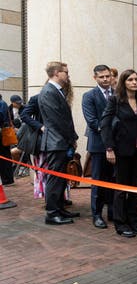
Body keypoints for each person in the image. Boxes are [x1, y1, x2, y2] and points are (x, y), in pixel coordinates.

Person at [101, 69, 137, 238]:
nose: (134, 82)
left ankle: (134, 221)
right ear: (124, 82)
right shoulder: (115, 101)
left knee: (134, 188)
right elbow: (106, 124)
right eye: (130, 79)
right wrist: (109, 148)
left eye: (136, 79)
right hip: (121, 151)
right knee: (121, 189)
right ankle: (120, 223)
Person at [39, 62, 78, 225]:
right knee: (55, 178)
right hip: (56, 142)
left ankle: (60, 208)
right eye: (66, 72)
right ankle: (52, 213)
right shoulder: (49, 91)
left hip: (60, 141)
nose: (68, 75)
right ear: (56, 73)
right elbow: (58, 120)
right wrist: (72, 138)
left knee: (61, 178)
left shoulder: (56, 91)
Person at [81, 64, 115, 229]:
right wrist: (111, 131)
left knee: (113, 180)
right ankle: (97, 215)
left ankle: (113, 212)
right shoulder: (89, 96)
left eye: (108, 76)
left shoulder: (117, 94)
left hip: (117, 145)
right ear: (95, 78)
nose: (105, 79)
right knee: (99, 181)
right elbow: (92, 121)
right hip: (99, 146)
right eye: (102, 77)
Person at [0, 95, 15, 186]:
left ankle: (7, 180)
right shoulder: (3, 103)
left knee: (4, 156)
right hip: (2, 132)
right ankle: (6, 179)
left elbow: (1, 117)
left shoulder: (2, 103)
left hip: (3, 133)